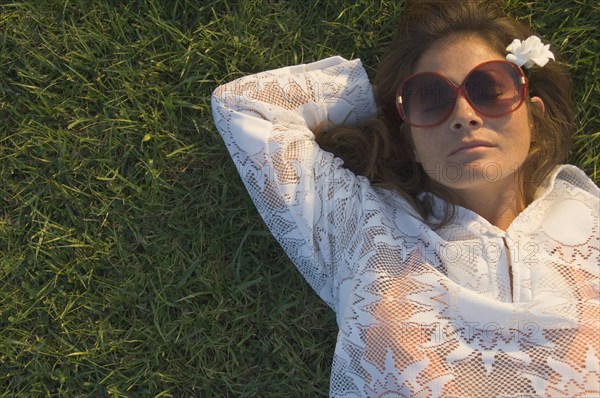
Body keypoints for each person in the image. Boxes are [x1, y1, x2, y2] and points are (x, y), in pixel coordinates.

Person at [211, 0, 599, 396]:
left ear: (533, 115)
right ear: (409, 142)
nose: (464, 114)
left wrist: (417, 105)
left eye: (490, 89)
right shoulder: (363, 227)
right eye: (431, 99)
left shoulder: (591, 219)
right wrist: (385, 102)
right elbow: (247, 105)